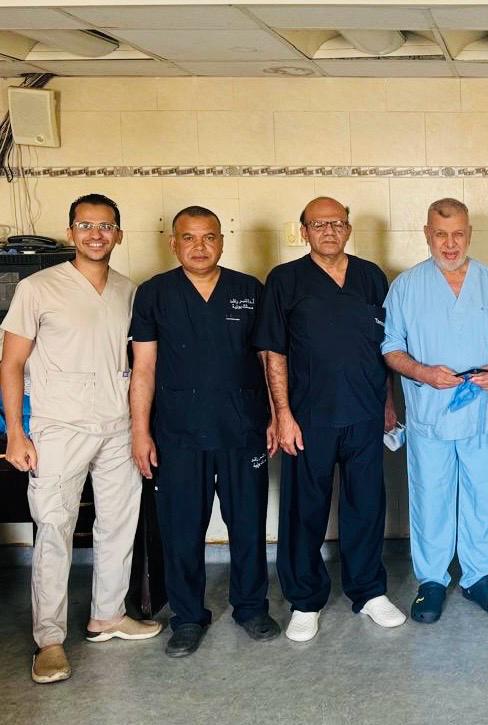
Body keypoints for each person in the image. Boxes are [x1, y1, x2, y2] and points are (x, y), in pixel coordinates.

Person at [1, 193, 161, 684]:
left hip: (116, 426)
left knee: (118, 524)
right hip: (59, 427)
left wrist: (139, 428)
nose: (96, 234)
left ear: (119, 234)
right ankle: (49, 640)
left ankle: (107, 615)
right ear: (71, 232)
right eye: (86, 225)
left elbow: (139, 363)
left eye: (106, 226)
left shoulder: (128, 290)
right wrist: (15, 432)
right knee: (54, 529)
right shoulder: (37, 287)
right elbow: (11, 362)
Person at [130, 206, 281, 657]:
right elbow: (144, 368)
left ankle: (251, 608)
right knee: (181, 530)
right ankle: (188, 618)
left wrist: (277, 414)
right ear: (173, 243)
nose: (200, 246)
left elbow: (267, 358)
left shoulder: (248, 290)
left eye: (209, 237)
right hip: (178, 434)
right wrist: (140, 432)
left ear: (221, 241)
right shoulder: (154, 293)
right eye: (189, 237)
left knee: (248, 525)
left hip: (243, 430)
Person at [254, 196, 405, 642]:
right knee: (305, 510)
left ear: (348, 229)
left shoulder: (370, 276)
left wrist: (387, 403)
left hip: (364, 412)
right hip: (309, 417)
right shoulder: (285, 280)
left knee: (367, 505)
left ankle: (369, 591)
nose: (329, 231)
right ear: (304, 232)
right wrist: (282, 414)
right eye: (318, 225)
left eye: (337, 223)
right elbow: (272, 352)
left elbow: (385, 346)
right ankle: (305, 600)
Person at [382, 198, 488, 623]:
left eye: (458, 234)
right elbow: (390, 348)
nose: (450, 244)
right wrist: (424, 373)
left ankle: (479, 578)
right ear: (427, 234)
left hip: (483, 413)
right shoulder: (406, 287)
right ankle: (431, 581)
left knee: (482, 497)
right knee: (431, 498)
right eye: (441, 235)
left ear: (469, 235)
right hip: (431, 415)